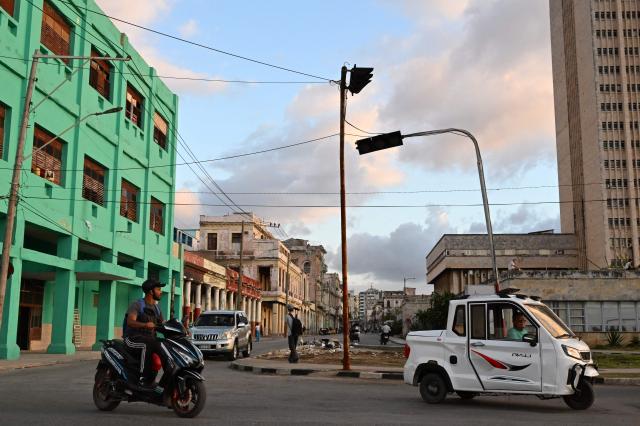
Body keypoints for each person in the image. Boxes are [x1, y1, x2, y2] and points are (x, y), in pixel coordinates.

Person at [123, 279, 171, 386]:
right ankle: (142, 377)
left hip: (150, 339)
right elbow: (130, 322)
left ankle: (168, 375)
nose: (161, 292)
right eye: (158, 289)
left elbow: (163, 324)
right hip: (132, 339)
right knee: (147, 345)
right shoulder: (137, 305)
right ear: (150, 291)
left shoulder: (157, 308)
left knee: (164, 345)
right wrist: (145, 324)